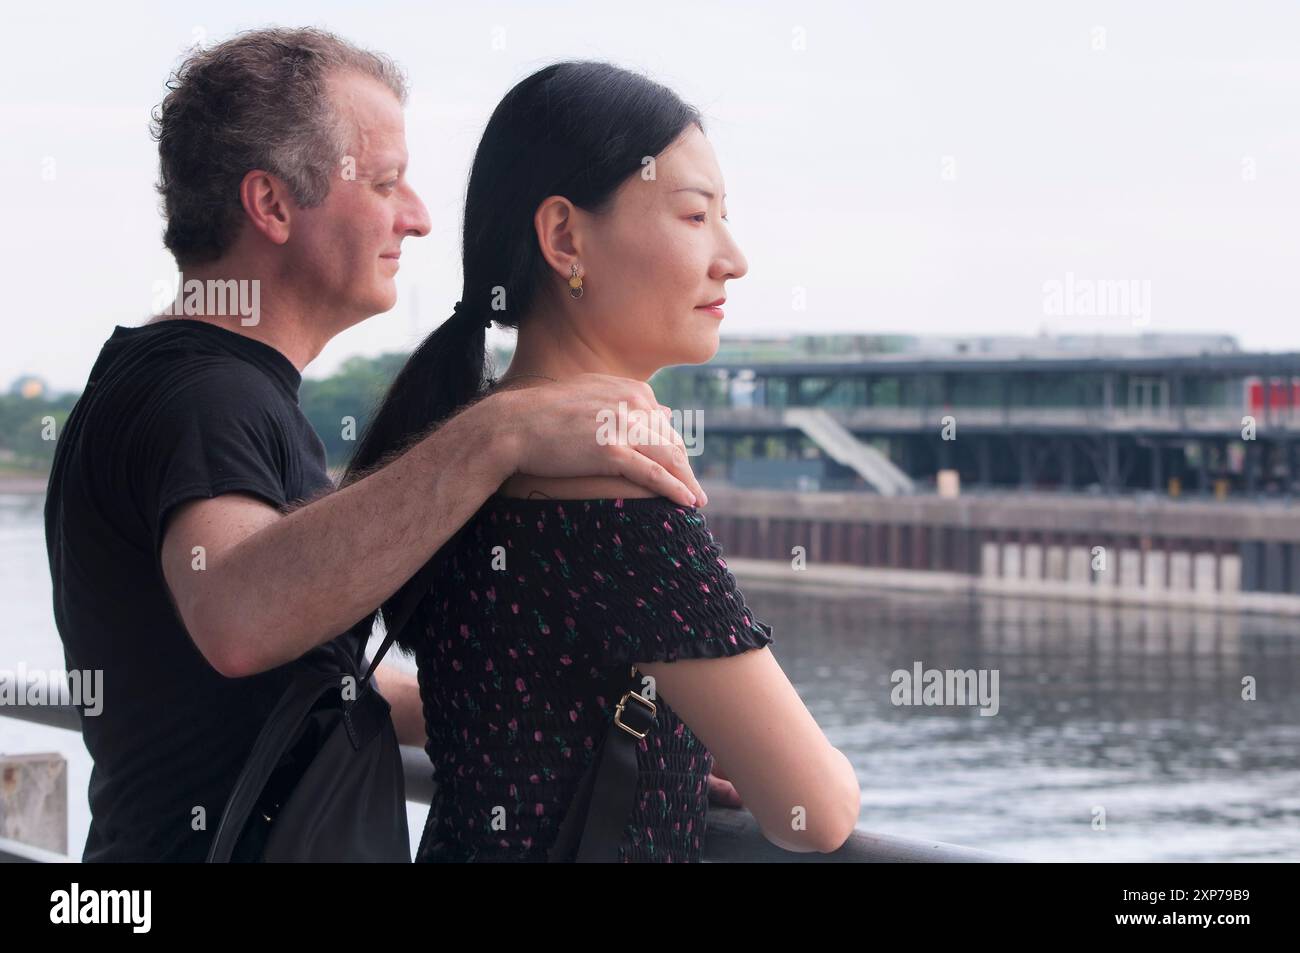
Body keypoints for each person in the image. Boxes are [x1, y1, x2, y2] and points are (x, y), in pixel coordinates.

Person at [43, 28, 707, 863]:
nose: (421, 217)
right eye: (387, 181)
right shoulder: (201, 398)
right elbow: (241, 618)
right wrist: (499, 430)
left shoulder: (183, 382)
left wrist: (620, 739)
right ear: (273, 205)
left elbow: (302, 681)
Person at [344, 61, 861, 862]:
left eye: (726, 218)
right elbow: (815, 809)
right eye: (695, 217)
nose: (733, 257)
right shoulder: (616, 488)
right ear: (564, 238)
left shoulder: (456, 449)